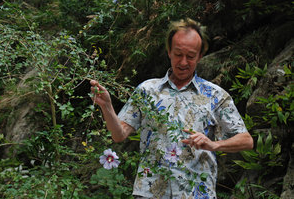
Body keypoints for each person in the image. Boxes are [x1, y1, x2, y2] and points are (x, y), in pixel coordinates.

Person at [90, 18, 253, 199]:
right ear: (169, 52)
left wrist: (214, 144)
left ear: (200, 56)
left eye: (190, 56)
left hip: (196, 194)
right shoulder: (147, 90)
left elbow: (246, 140)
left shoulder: (215, 95)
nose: (183, 62)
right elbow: (119, 134)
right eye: (178, 54)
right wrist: (106, 106)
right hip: (150, 193)